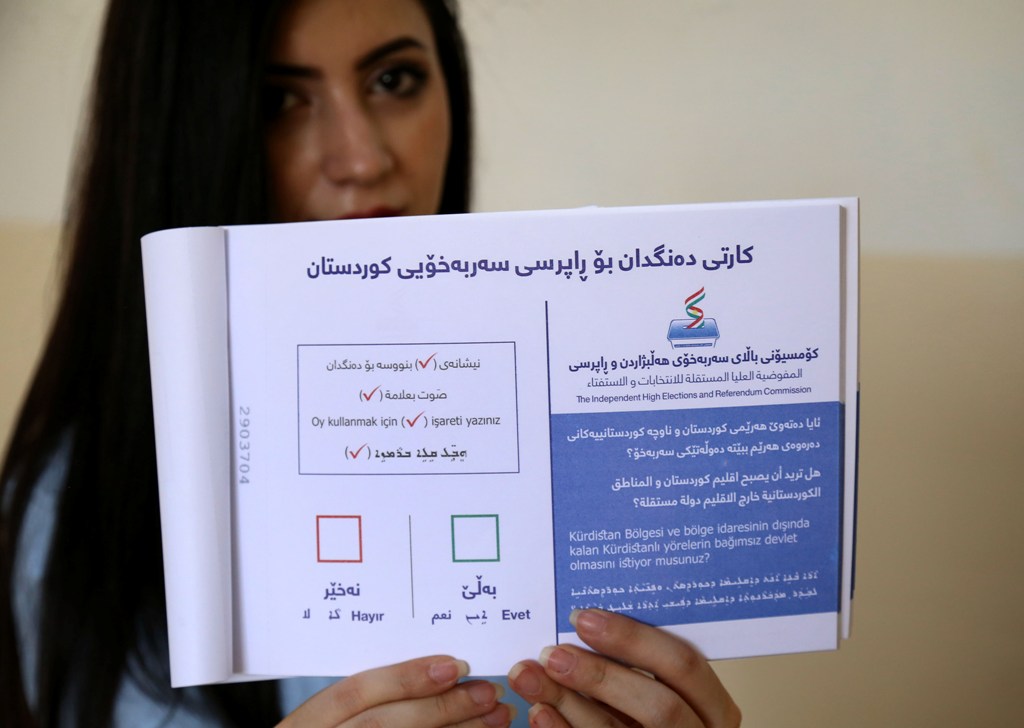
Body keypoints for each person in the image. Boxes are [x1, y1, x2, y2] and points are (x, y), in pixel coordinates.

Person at [0, 0, 742, 726]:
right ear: (180, 135)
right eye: (279, 99)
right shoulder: (71, 519)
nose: (363, 159)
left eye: (393, 80)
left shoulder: (589, 439)